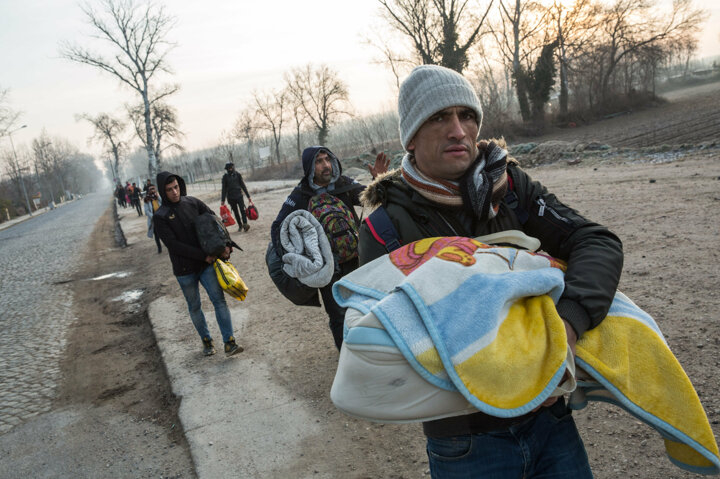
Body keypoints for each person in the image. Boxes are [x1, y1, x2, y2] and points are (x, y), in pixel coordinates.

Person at [358, 65, 623, 478]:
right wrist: (507, 371)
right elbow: (392, 347)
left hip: (551, 423)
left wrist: (566, 329)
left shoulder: (511, 188)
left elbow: (597, 241)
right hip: (465, 443)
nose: (458, 130)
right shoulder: (384, 229)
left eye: (467, 116)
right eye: (439, 117)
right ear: (410, 136)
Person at [270, 146, 388, 350]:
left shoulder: (343, 184)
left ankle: (367, 351)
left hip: (355, 258)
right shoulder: (300, 195)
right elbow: (278, 228)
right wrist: (299, 257)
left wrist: (379, 180)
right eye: (319, 161)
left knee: (365, 307)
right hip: (328, 266)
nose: (325, 165)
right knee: (338, 315)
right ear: (309, 168)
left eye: (327, 159)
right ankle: (346, 359)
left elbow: (371, 197)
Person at [153, 171, 244, 357]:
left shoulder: (192, 202)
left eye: (176, 187)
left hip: (206, 266)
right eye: (169, 190)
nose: (175, 192)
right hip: (185, 271)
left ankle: (229, 342)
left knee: (219, 300)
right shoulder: (160, 217)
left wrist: (226, 245)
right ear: (163, 192)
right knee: (194, 306)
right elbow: (173, 245)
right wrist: (203, 256)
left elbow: (215, 222)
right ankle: (207, 341)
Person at [221, 162, 252, 232]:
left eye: (231, 167)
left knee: (242, 210)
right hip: (231, 198)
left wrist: (248, 196)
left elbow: (243, 186)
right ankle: (240, 225)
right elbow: (224, 189)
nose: (230, 169)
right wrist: (222, 200)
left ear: (233, 167)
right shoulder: (225, 177)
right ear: (227, 169)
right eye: (229, 168)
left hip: (239, 196)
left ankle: (245, 224)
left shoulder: (238, 175)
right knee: (236, 212)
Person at [143, 183, 163, 254]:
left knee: (164, 232)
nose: (153, 190)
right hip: (153, 219)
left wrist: (158, 196)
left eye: (153, 188)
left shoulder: (157, 196)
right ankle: (159, 247)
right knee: (156, 234)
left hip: (161, 217)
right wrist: (153, 216)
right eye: (151, 189)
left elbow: (163, 204)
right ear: (148, 191)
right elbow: (146, 211)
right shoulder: (146, 199)